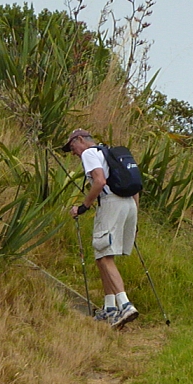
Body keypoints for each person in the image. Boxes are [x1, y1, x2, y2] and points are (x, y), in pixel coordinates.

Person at [63, 128, 140, 329]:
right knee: (102, 255)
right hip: (129, 204)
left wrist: (83, 206)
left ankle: (125, 305)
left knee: (105, 257)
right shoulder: (108, 153)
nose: (73, 152)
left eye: (72, 147)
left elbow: (99, 181)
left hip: (111, 202)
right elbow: (135, 188)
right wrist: (134, 217)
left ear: (80, 139)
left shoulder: (89, 153)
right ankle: (109, 308)